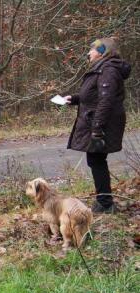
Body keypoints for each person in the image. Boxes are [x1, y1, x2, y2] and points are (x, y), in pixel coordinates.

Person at [64, 38, 131, 213]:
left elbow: (106, 100)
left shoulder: (108, 69)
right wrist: (74, 99)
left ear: (102, 51)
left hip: (102, 123)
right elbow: (93, 95)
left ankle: (105, 203)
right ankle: (103, 201)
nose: (88, 53)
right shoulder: (103, 68)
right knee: (96, 159)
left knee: (96, 159)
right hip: (98, 121)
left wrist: (97, 128)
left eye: (92, 50)